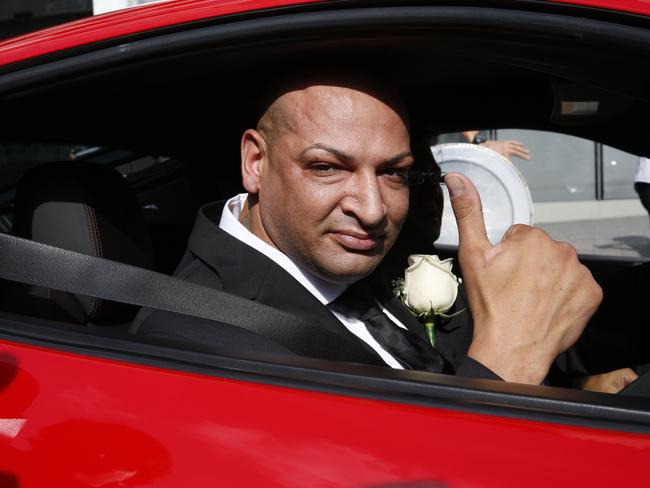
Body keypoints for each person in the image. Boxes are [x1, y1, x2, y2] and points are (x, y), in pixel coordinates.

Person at [131, 74, 604, 385]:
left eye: (393, 172)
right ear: (256, 163)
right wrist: (508, 368)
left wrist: (578, 387)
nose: (374, 210)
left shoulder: (361, 253)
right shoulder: (194, 343)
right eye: (326, 168)